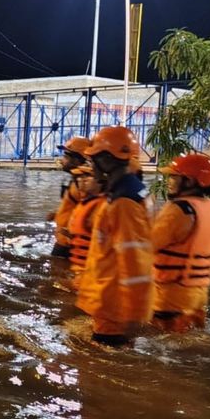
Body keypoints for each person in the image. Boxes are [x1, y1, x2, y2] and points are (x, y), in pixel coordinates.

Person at [75, 126, 154, 347]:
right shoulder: (133, 192)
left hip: (114, 305)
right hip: (112, 301)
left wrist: (133, 312)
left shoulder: (123, 203)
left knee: (98, 369)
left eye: (94, 161)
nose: (91, 167)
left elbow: (134, 260)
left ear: (107, 161)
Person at [151, 153, 210, 333]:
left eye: (174, 177)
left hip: (171, 294)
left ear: (190, 181)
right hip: (198, 293)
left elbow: (148, 245)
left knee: (163, 343)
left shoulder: (179, 210)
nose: (169, 181)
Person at [49, 136, 92, 259]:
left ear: (77, 160)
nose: (62, 160)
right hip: (66, 240)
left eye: (66, 157)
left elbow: (90, 213)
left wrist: (72, 232)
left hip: (70, 243)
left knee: (59, 274)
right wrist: (57, 215)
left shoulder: (83, 182)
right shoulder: (76, 179)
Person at [63, 164, 103, 289]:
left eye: (87, 176)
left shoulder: (100, 207)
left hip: (91, 276)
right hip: (81, 272)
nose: (81, 180)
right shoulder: (85, 203)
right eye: (79, 177)